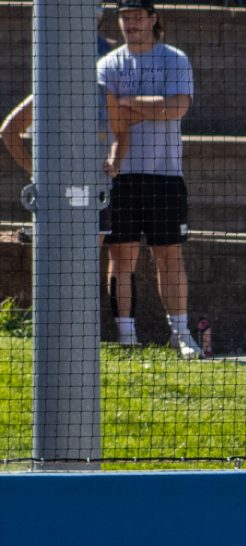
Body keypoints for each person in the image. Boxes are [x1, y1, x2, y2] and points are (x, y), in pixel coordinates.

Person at [97, 0, 201, 358]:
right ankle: (127, 337)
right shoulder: (107, 64)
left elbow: (178, 107)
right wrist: (150, 107)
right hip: (118, 175)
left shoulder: (174, 58)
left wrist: (128, 104)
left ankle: (181, 335)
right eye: (125, 18)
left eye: (137, 17)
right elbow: (111, 115)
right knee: (121, 257)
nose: (130, 24)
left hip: (165, 173)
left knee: (168, 256)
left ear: (153, 19)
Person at [2, 3, 113, 245]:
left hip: (96, 189)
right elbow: (8, 131)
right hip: (59, 193)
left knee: (88, 264)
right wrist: (37, 172)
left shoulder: (106, 83)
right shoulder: (51, 85)